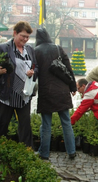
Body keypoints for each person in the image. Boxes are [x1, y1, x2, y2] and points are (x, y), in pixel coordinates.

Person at [0, 21, 38, 148]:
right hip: (7, 94)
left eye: (27, 37)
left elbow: (36, 67)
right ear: (15, 33)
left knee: (25, 126)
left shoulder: (30, 50)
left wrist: (33, 72)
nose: (25, 39)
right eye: (23, 36)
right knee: (1, 125)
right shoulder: (4, 48)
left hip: (24, 95)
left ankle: (27, 152)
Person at [34, 28, 77, 160]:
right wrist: (73, 86)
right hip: (62, 91)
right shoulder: (58, 48)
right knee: (66, 123)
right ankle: (71, 151)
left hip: (46, 91)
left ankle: (44, 153)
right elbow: (68, 69)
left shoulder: (36, 51)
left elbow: (34, 71)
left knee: (46, 124)